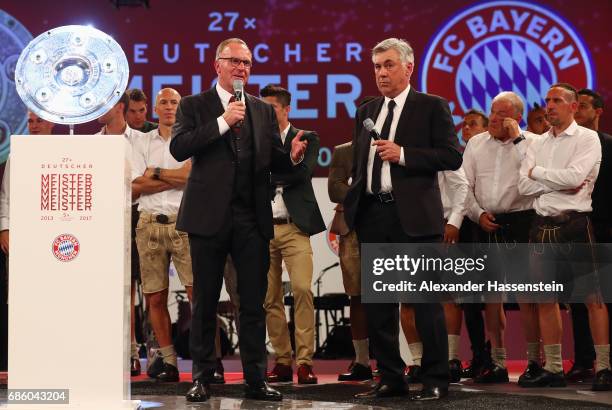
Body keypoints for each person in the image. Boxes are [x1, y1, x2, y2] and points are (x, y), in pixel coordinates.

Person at [170, 38, 307, 403]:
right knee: (205, 303)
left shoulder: (262, 110)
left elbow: (272, 160)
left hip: (251, 217)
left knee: (252, 302)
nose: (242, 68)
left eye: (247, 63)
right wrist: (222, 121)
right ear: (217, 65)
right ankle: (202, 377)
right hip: (208, 217)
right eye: (234, 61)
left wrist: (289, 156)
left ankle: (256, 380)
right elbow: (179, 147)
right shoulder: (194, 105)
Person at [343, 37, 462, 401]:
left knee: (425, 302)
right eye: (377, 66)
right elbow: (360, 166)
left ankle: (436, 378)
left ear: (409, 67)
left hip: (414, 218)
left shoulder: (431, 107)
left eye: (389, 65)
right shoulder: (367, 109)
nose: (381, 73)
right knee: (379, 305)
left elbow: (451, 156)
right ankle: (391, 377)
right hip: (374, 215)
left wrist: (405, 154)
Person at [518, 83, 611, 390]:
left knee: (592, 297)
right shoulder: (537, 142)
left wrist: (538, 174)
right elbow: (523, 186)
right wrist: (551, 179)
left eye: (557, 100)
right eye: (548, 100)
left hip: (575, 223)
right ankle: (554, 368)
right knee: (545, 299)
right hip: (542, 224)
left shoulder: (588, 139)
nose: (550, 105)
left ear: (573, 106)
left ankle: (604, 368)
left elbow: (575, 178)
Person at [463, 92, 540, 384]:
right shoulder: (475, 143)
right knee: (490, 297)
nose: (494, 119)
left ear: (516, 118)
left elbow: (534, 179)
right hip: (486, 221)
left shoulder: (532, 142)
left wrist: (518, 139)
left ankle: (535, 362)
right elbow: (464, 186)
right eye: (492, 112)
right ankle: (497, 361)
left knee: (527, 296)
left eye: (502, 114)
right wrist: (477, 213)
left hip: (522, 221)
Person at [259, 84, 325, 385]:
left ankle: (305, 362)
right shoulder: (257, 139)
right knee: (269, 298)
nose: (265, 113)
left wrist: (273, 173)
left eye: (271, 108)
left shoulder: (308, 138)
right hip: (263, 227)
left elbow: (301, 173)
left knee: (301, 289)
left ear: (286, 110)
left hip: (295, 226)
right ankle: (283, 360)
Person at [131, 88, 193, 382]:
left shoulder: (191, 140)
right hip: (149, 224)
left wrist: (153, 172)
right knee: (155, 297)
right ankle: (168, 360)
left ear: (181, 107)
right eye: (164, 102)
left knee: (197, 295)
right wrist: (173, 176)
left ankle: (208, 362)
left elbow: (191, 177)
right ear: (155, 108)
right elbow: (134, 185)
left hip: (185, 223)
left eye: (174, 102)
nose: (169, 107)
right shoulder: (142, 140)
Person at [97, 92, 146, 376]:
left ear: (118, 107)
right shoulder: (92, 144)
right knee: (105, 287)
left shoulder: (141, 141)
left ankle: (132, 351)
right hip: (102, 220)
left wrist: (129, 186)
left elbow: (144, 182)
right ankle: (105, 348)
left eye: (104, 105)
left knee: (131, 289)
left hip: (135, 216)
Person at [564, 88, 612, 383]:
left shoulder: (609, 145)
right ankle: (584, 360)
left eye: (583, 106)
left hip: (605, 229)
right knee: (578, 299)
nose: (577, 110)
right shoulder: (566, 147)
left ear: (598, 111)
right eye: (575, 106)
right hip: (573, 229)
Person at [329, 141, 373, 382]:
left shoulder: (391, 146)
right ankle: (362, 361)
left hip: (387, 226)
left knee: (392, 296)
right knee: (356, 295)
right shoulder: (343, 150)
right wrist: (368, 192)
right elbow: (334, 189)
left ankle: (397, 360)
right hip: (352, 229)